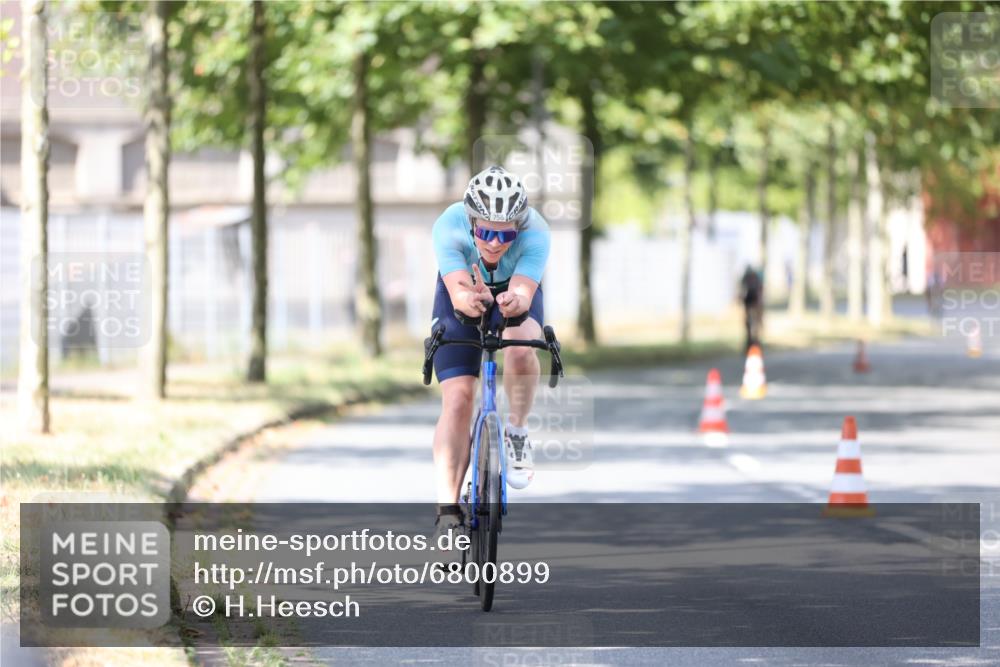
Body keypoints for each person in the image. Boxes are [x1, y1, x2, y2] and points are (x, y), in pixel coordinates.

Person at [429, 165, 551, 542]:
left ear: (519, 226)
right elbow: (459, 293)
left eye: (504, 234)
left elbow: (524, 294)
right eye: (485, 232)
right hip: (461, 294)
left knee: (520, 349)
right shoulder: (448, 225)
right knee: (459, 396)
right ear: (470, 223)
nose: (495, 243)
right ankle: (448, 510)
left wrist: (513, 303)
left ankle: (515, 430)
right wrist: (470, 299)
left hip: (514, 293)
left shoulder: (537, 232)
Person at [740, 265, 763, 350]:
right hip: (750, 302)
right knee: (751, 323)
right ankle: (752, 342)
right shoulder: (752, 277)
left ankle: (754, 342)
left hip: (752, 302)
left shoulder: (749, 277)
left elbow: (759, 290)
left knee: (753, 323)